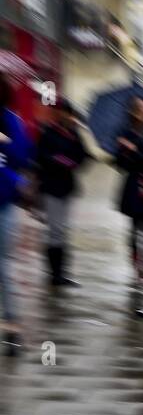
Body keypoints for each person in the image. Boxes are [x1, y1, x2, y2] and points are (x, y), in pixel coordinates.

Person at [34, 97, 89, 286]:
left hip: (66, 186)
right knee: (55, 230)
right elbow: (41, 156)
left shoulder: (74, 134)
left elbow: (83, 156)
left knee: (62, 229)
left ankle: (60, 273)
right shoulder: (48, 133)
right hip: (51, 186)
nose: (64, 116)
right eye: (61, 112)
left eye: (67, 112)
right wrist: (56, 161)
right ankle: (54, 274)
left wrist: (73, 161)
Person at [0, 75, 33, 354]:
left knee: (4, 267)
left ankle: (12, 329)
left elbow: (22, 157)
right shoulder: (13, 120)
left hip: (4, 204)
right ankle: (12, 328)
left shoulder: (11, 120)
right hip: (6, 202)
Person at [114, 95, 143, 283]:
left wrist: (133, 150)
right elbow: (120, 164)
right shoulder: (126, 133)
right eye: (139, 109)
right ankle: (137, 267)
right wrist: (123, 151)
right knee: (134, 230)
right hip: (133, 187)